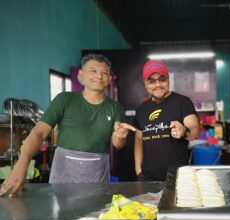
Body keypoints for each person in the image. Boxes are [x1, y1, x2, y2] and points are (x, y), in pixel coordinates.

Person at [0, 54, 135, 197]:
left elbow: (117, 144)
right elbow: (39, 133)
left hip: (97, 172)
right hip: (64, 171)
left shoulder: (115, 108)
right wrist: (22, 164)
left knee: (96, 212)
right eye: (93, 71)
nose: (99, 76)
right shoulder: (65, 100)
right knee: (62, 214)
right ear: (81, 75)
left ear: (109, 79)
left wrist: (120, 136)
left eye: (104, 73)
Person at [134, 60, 200, 181]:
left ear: (168, 79)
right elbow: (139, 141)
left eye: (162, 79)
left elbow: (195, 132)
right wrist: (138, 171)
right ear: (145, 84)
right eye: (152, 81)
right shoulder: (141, 110)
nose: (158, 84)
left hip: (179, 177)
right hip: (148, 177)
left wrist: (184, 131)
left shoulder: (183, 102)